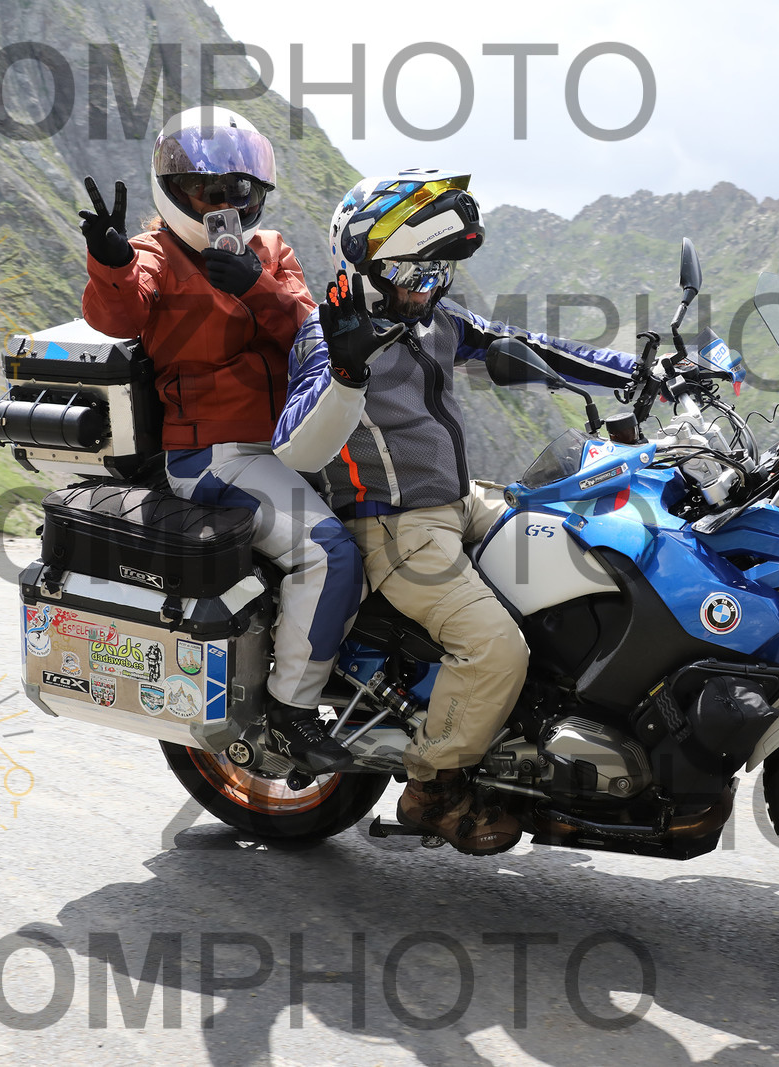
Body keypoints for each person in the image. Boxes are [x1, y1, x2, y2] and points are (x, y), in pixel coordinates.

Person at [272, 171, 638, 853]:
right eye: (414, 272)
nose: (428, 287)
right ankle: (433, 786)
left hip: (461, 500)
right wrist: (348, 375)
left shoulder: (433, 318)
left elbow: (527, 345)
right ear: (366, 267)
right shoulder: (327, 338)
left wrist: (639, 372)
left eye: (437, 271)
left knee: (586, 552)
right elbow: (294, 445)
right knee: (496, 646)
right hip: (394, 527)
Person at [79, 106, 361, 784]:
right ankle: (293, 711)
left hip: (294, 440)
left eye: (241, 191)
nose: (226, 206)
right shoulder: (156, 255)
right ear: (174, 192)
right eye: (209, 191)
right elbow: (119, 312)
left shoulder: (271, 251)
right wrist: (111, 262)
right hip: (215, 456)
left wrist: (257, 288)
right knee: (329, 553)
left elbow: (311, 331)